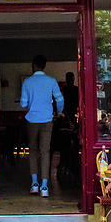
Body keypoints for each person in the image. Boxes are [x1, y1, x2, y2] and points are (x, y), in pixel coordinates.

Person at [20, 55, 64, 197]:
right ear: (44, 66)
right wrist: (60, 111)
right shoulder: (51, 81)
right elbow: (59, 99)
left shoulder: (27, 82)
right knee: (45, 151)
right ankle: (45, 186)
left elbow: (23, 103)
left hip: (32, 119)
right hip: (47, 119)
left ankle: (34, 184)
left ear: (34, 65)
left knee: (32, 151)